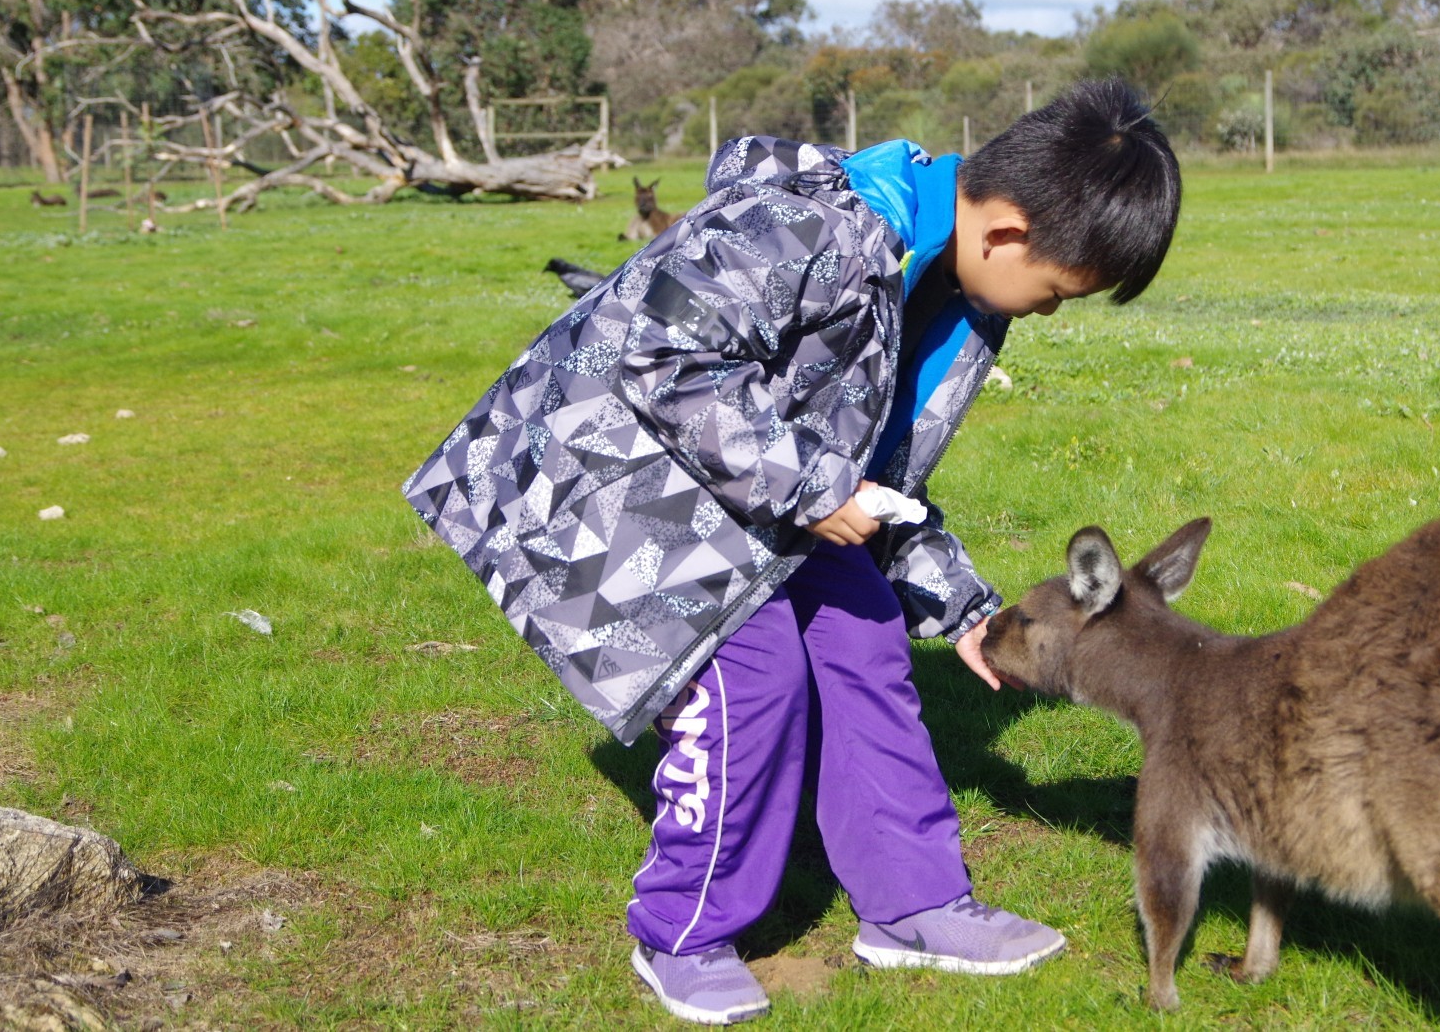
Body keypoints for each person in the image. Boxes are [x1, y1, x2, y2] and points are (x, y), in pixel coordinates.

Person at [403, 78, 1182, 1024]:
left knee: (862, 634)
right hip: (610, 477)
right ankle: (683, 927)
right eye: (1058, 294)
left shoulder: (955, 287)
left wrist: (964, 604)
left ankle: (912, 904)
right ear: (1007, 232)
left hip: (752, 485)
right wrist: (814, 487)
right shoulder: (807, 231)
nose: (1050, 312)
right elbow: (660, 360)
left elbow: (882, 467)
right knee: (755, 674)